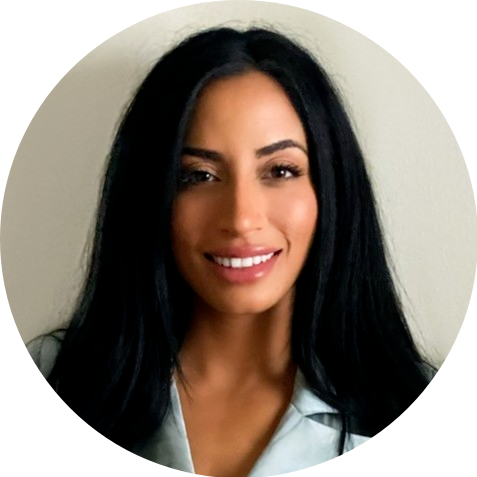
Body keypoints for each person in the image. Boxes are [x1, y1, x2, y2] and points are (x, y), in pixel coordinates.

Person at [26, 25, 445, 475]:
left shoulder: (423, 416)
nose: (242, 219)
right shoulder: (48, 381)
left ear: (332, 190)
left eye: (280, 170)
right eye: (199, 175)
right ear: (149, 196)